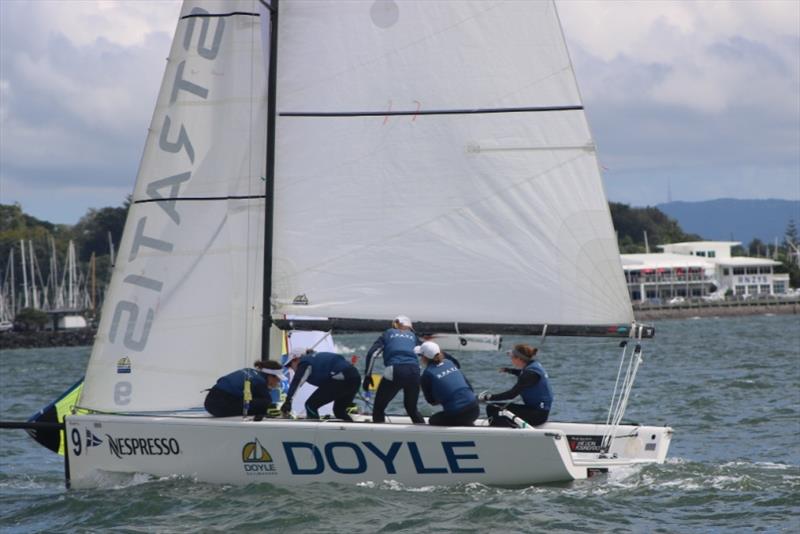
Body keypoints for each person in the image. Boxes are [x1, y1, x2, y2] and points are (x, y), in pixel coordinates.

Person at [363, 315, 424, 423]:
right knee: (411, 409)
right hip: (414, 371)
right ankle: (425, 435)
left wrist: (368, 376)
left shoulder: (388, 333)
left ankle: (380, 436)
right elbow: (429, 351)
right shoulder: (413, 336)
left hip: (395, 370)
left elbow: (372, 354)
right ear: (409, 327)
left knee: (378, 408)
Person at [479, 344, 553, 427]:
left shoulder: (530, 374)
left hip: (538, 415)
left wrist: (487, 397)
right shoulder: (533, 365)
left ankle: (499, 434)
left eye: (512, 357)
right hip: (534, 410)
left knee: (494, 409)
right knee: (492, 408)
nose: (511, 360)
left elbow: (511, 394)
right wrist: (510, 370)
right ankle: (498, 429)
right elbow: (522, 374)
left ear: (519, 359)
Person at [281, 349, 361, 421]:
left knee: (310, 405)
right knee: (339, 411)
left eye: (290, 365)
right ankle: (352, 435)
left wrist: (288, 401)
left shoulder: (304, 362)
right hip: (355, 377)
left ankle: (314, 435)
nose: (291, 368)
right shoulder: (316, 358)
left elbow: (297, 381)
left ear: (296, 359)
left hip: (342, 378)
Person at [417, 341, 479, 426]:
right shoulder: (449, 362)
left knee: (433, 420)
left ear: (424, 357)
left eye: (420, 355)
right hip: (475, 408)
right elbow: (470, 387)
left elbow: (432, 401)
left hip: (459, 413)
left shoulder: (427, 374)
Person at [204, 360, 285, 417]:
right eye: (278, 380)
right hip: (218, 405)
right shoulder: (259, 381)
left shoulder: (249, 371)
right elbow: (267, 401)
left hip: (210, 399)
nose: (278, 383)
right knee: (265, 403)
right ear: (270, 376)